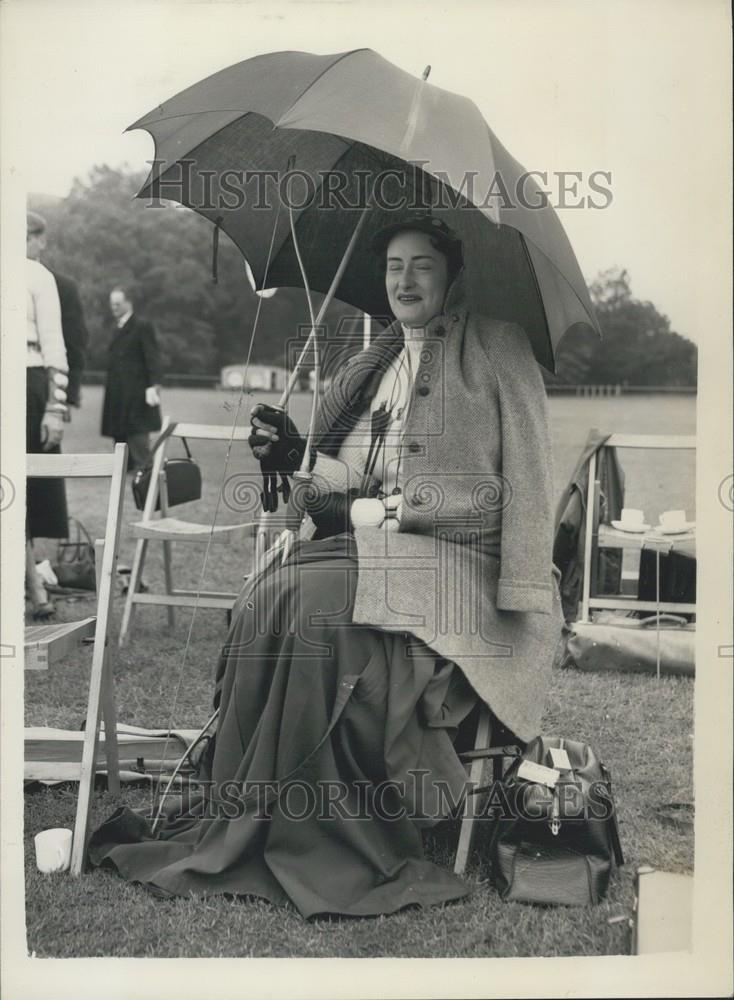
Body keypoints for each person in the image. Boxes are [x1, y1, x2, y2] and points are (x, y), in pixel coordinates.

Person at [90, 215, 564, 918]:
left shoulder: (495, 347)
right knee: (269, 594)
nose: (405, 280)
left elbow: (515, 489)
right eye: (394, 266)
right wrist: (294, 459)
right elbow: (349, 479)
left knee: (316, 605)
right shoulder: (370, 362)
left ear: (453, 276)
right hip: (377, 553)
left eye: (423, 266)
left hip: (464, 568)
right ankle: (252, 804)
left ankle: (321, 829)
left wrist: (376, 515)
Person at [25, 216, 70, 619]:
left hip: (29, 380)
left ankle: (36, 585)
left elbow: (55, 341)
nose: (39, 244)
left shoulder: (39, 276)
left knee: (26, 487)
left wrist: (55, 406)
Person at [26, 211, 89, 412]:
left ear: (41, 241)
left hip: (41, 383)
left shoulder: (62, 286)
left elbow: (74, 342)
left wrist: (64, 397)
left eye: (27, 238)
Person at [101, 287, 162, 472]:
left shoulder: (142, 326)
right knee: (119, 431)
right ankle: (124, 468)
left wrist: (155, 384)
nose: (114, 308)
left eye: (118, 304)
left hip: (136, 390)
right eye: (112, 304)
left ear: (129, 303)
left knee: (137, 431)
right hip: (117, 390)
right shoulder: (115, 327)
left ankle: (145, 468)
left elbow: (152, 357)